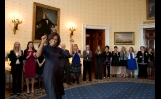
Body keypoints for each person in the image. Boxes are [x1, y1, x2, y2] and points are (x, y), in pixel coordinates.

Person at [36, 33, 71, 99]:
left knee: (58, 93)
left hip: (57, 73)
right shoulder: (45, 47)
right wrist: (42, 42)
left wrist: (71, 44)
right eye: (52, 38)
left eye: (56, 39)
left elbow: (68, 55)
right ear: (49, 39)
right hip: (48, 73)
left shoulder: (58, 49)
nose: (54, 40)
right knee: (52, 94)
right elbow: (37, 55)